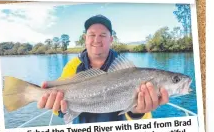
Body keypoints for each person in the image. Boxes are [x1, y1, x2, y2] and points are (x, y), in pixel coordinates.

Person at [37, 15, 169, 123]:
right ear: (85, 38)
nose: (97, 40)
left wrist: (138, 113)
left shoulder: (128, 71)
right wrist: (56, 107)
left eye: (103, 35)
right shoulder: (72, 66)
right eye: (92, 35)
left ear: (111, 39)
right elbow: (61, 112)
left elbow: (143, 120)